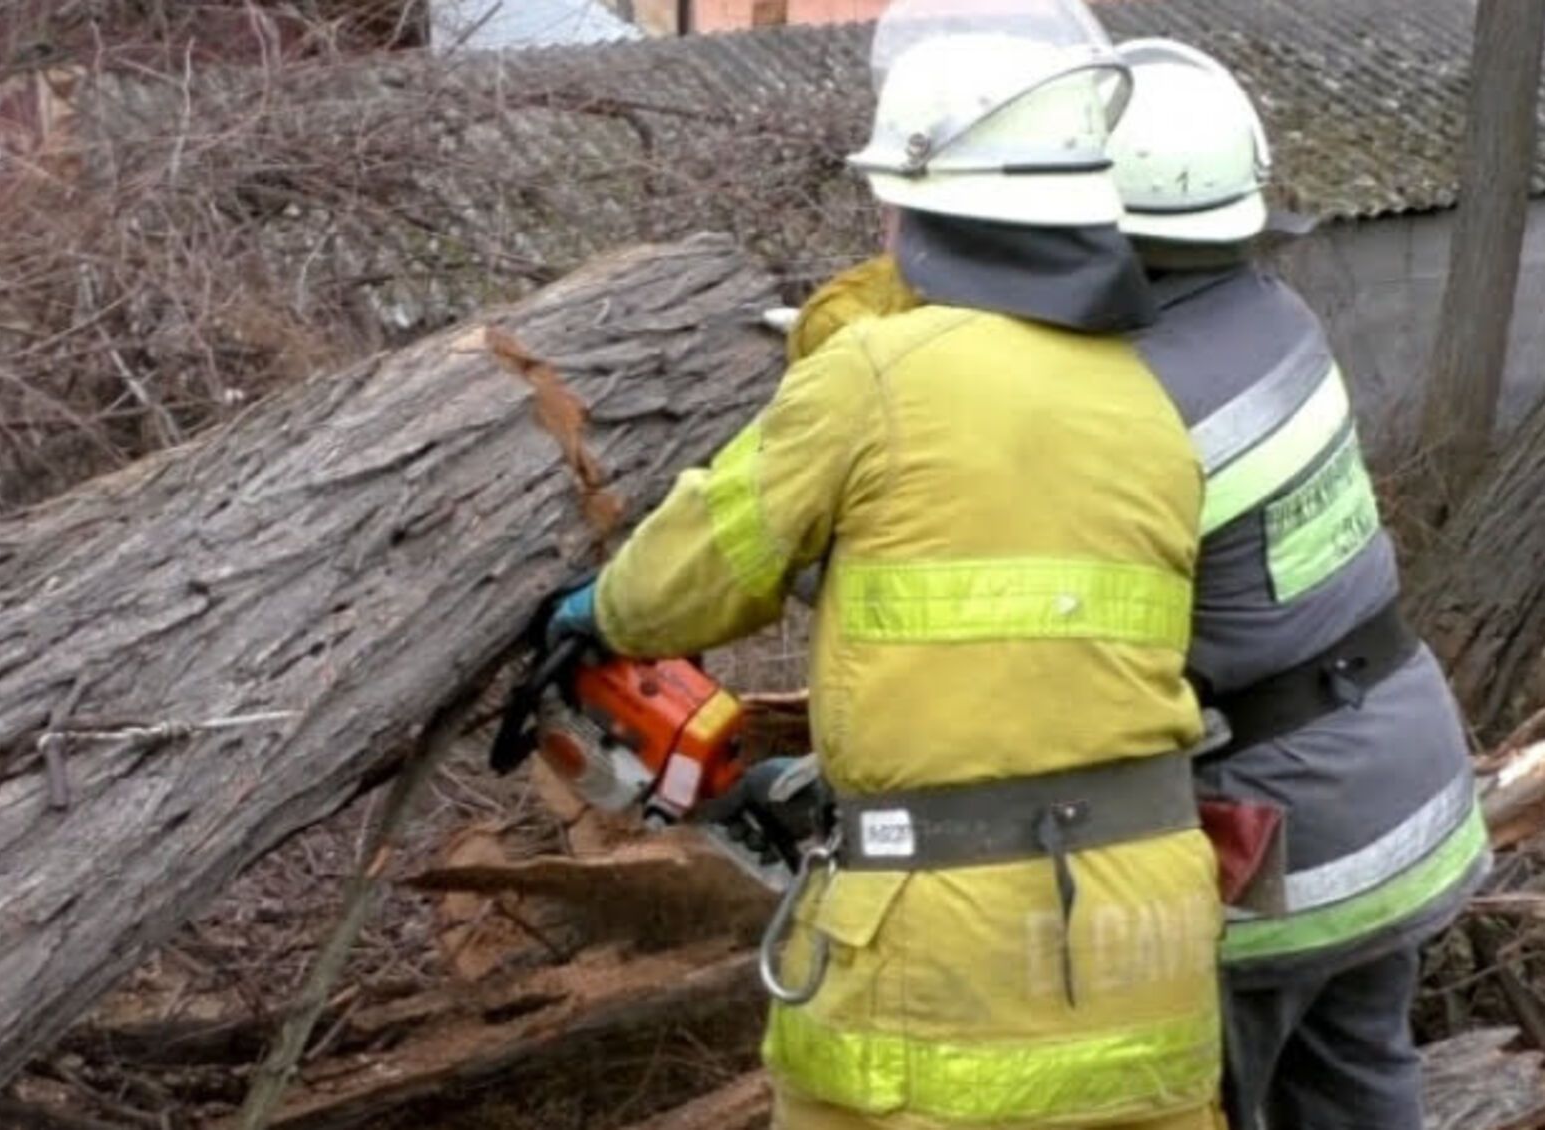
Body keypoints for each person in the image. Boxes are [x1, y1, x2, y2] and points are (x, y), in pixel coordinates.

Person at [543, 2, 1229, 1126]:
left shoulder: (876, 372)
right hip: (1147, 927)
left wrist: (599, 608)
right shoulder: (1147, 404)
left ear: (913, 207)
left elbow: (683, 584)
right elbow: (1033, 672)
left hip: (947, 946)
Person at [1099, 40, 1491, 1130]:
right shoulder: (1273, 318)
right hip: (1398, 778)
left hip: (1282, 838)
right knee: (1360, 1085)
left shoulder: (1137, 403)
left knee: (1196, 1100)